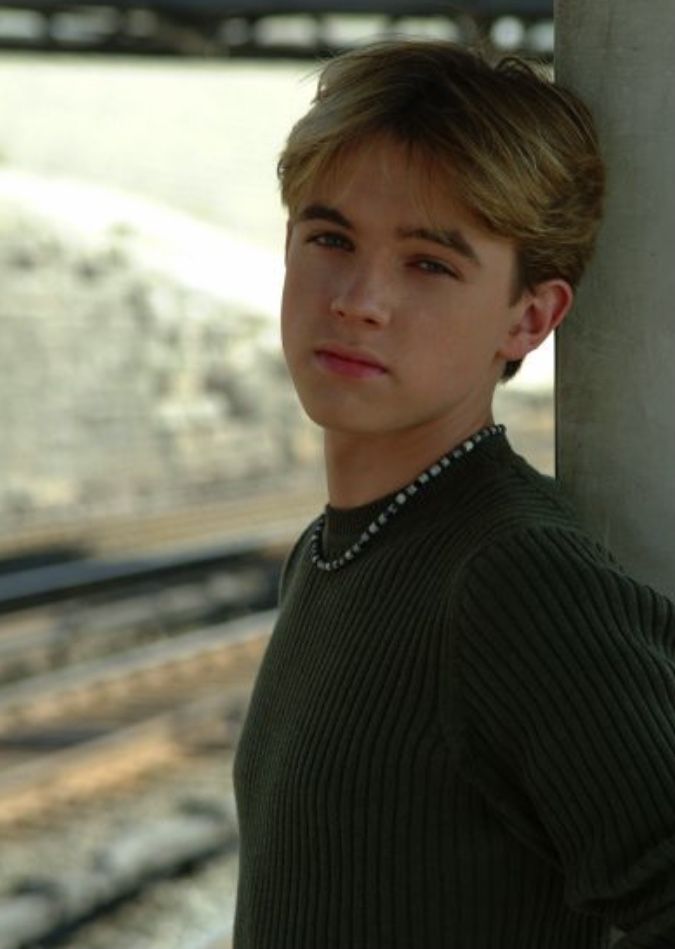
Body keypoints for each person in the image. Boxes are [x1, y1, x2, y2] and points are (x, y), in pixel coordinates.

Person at [232, 40, 675, 949]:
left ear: (529, 316)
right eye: (330, 238)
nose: (358, 298)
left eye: (428, 263)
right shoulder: (338, 551)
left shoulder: (512, 576)